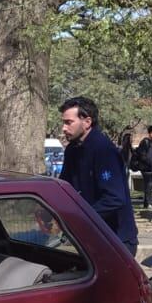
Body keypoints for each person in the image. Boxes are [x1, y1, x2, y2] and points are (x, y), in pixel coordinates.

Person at [58, 96, 137, 253]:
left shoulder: (103, 150)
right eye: (63, 122)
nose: (64, 128)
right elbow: (64, 188)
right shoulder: (72, 149)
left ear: (87, 122)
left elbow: (114, 198)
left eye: (69, 122)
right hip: (89, 236)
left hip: (116, 239)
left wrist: (81, 218)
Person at [133, 125, 152, 209]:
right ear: (149, 133)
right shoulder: (145, 142)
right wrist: (149, 163)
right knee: (149, 184)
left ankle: (147, 202)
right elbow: (142, 155)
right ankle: (147, 202)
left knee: (150, 184)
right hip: (146, 168)